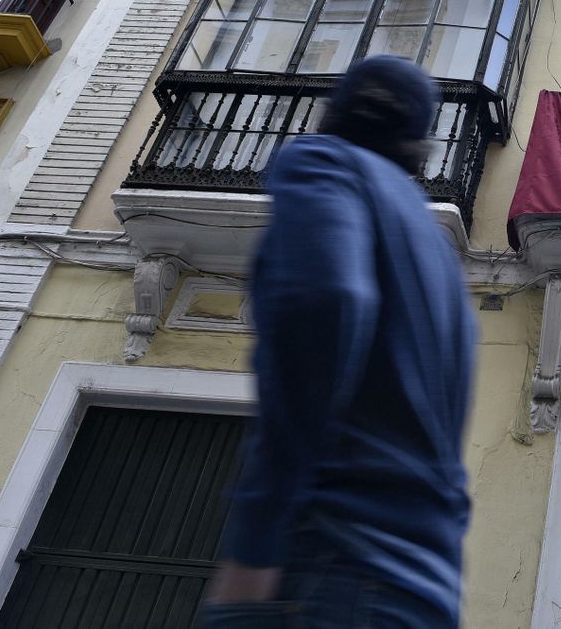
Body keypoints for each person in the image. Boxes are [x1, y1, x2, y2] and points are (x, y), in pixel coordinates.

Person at [199, 56, 478, 628]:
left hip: (329, 565)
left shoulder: (323, 162)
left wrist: (258, 536)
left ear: (331, 112)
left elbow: (325, 300)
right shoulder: (436, 256)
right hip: (423, 589)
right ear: (417, 142)